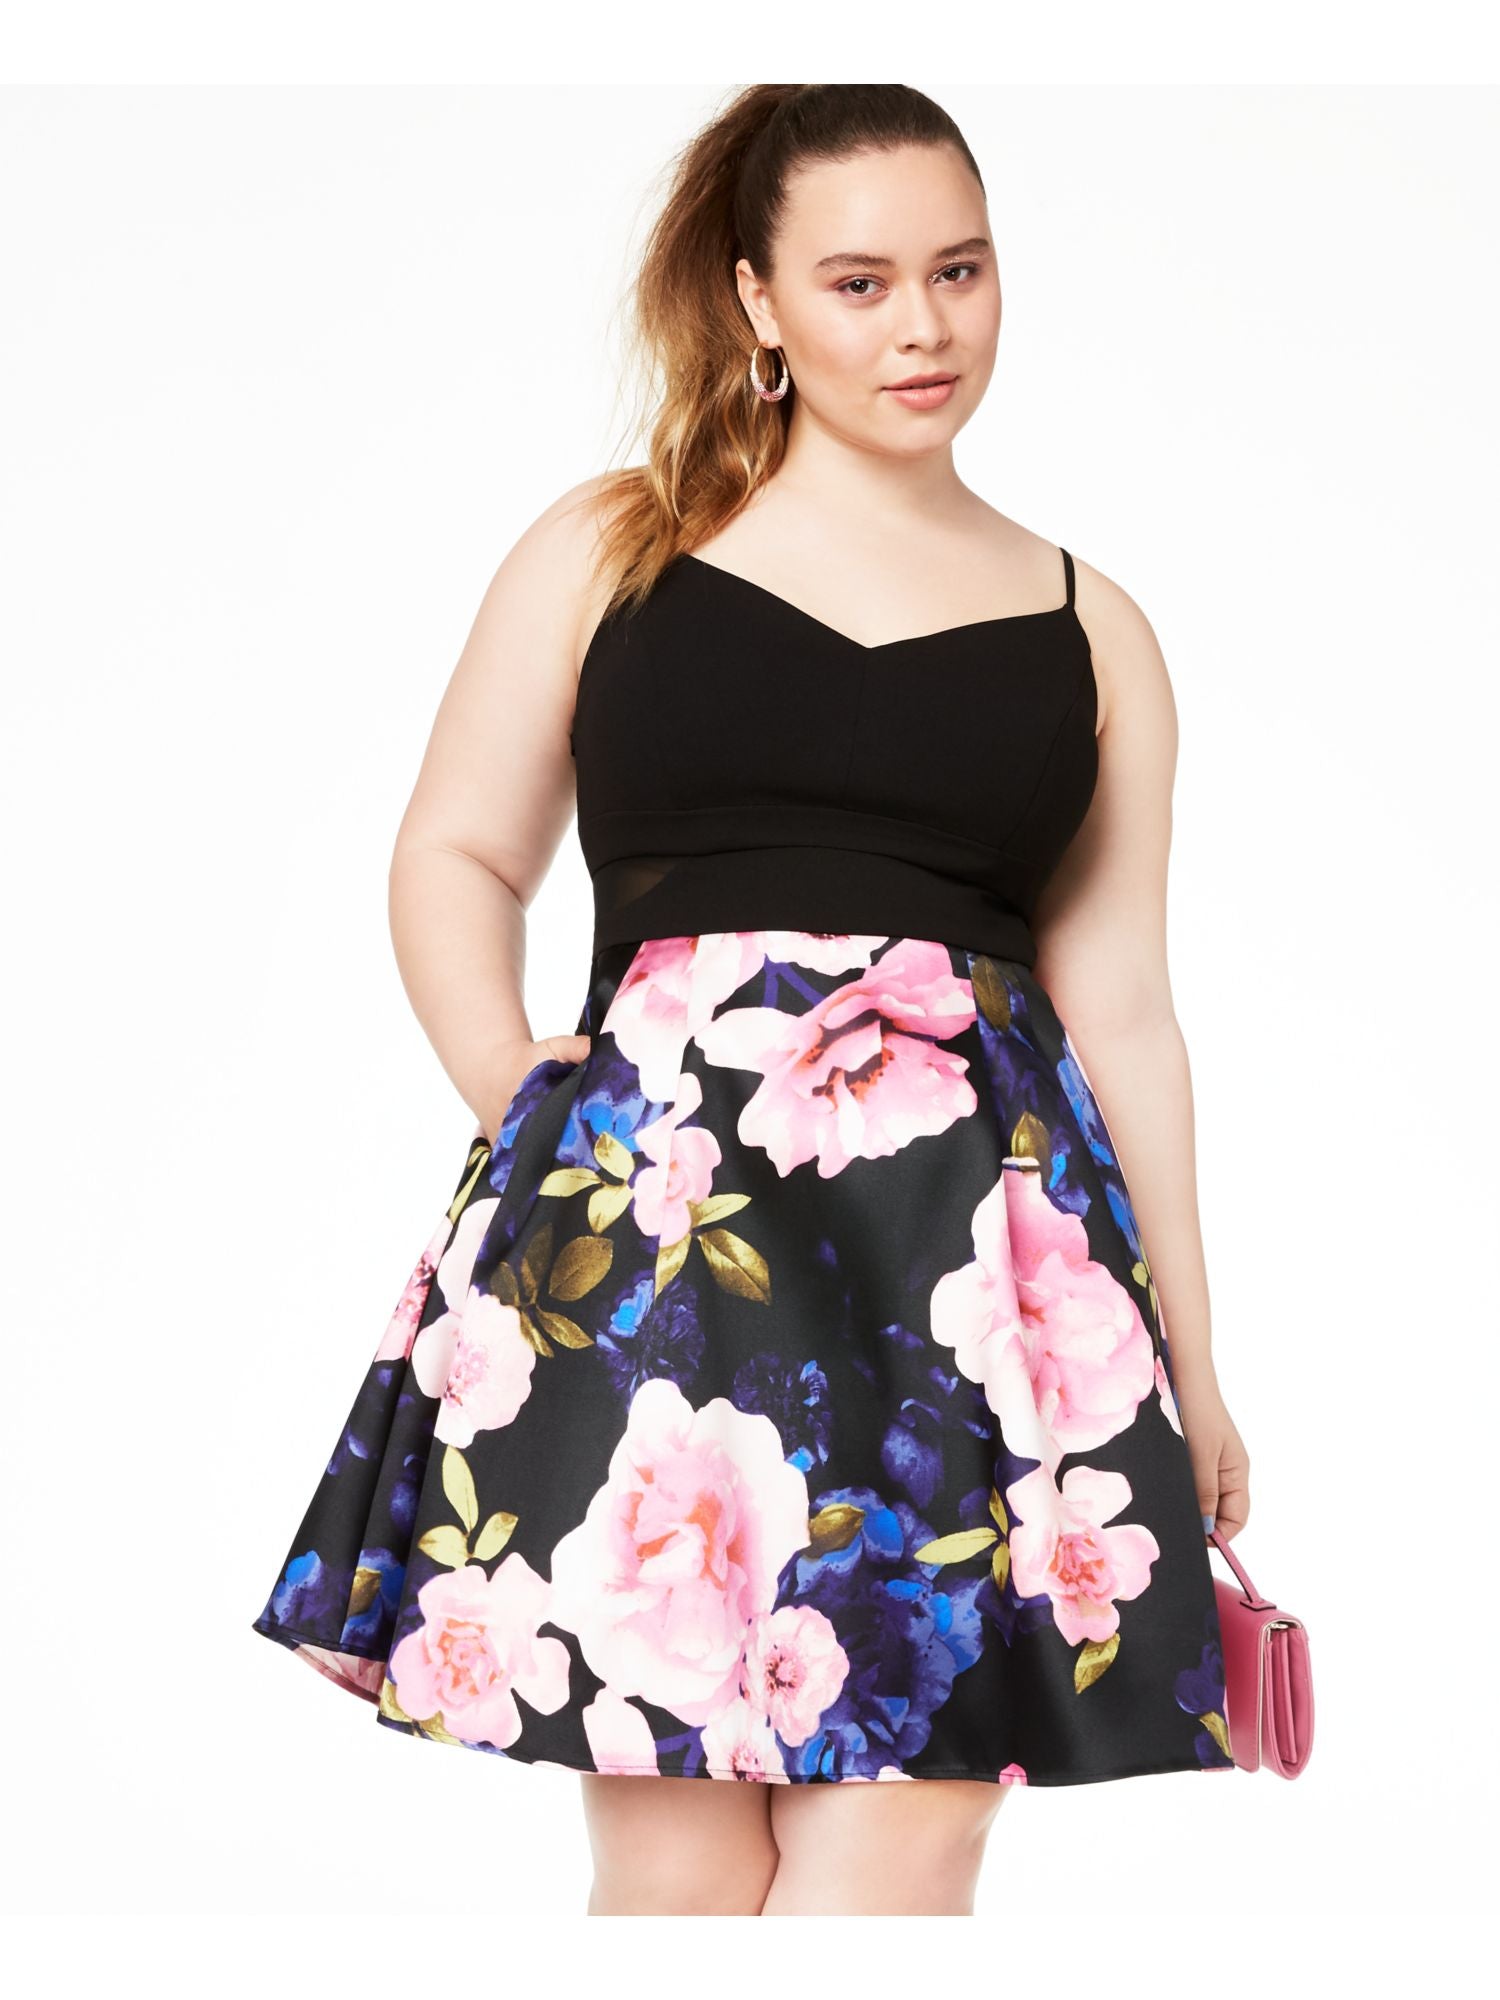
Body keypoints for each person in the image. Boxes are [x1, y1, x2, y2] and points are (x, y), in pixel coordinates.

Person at [251, 83, 1250, 1918]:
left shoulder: (1090, 629)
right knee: (676, 1838)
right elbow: (455, 851)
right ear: (757, 299)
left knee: (914, 1820)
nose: (924, 325)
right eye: (861, 282)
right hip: (667, 1234)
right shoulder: (614, 549)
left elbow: (1127, 1011)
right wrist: (513, 1078)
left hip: (967, 1277)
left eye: (959, 271)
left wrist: (1193, 1362)